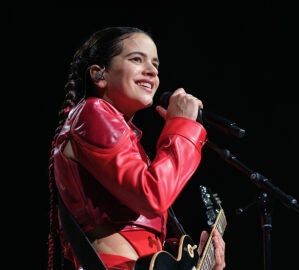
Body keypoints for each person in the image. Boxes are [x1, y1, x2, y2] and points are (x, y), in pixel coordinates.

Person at [47, 26, 226, 270]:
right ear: (100, 75)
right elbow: (152, 194)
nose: (152, 71)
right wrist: (183, 127)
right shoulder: (92, 112)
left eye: (155, 64)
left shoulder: (124, 137)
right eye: (136, 59)